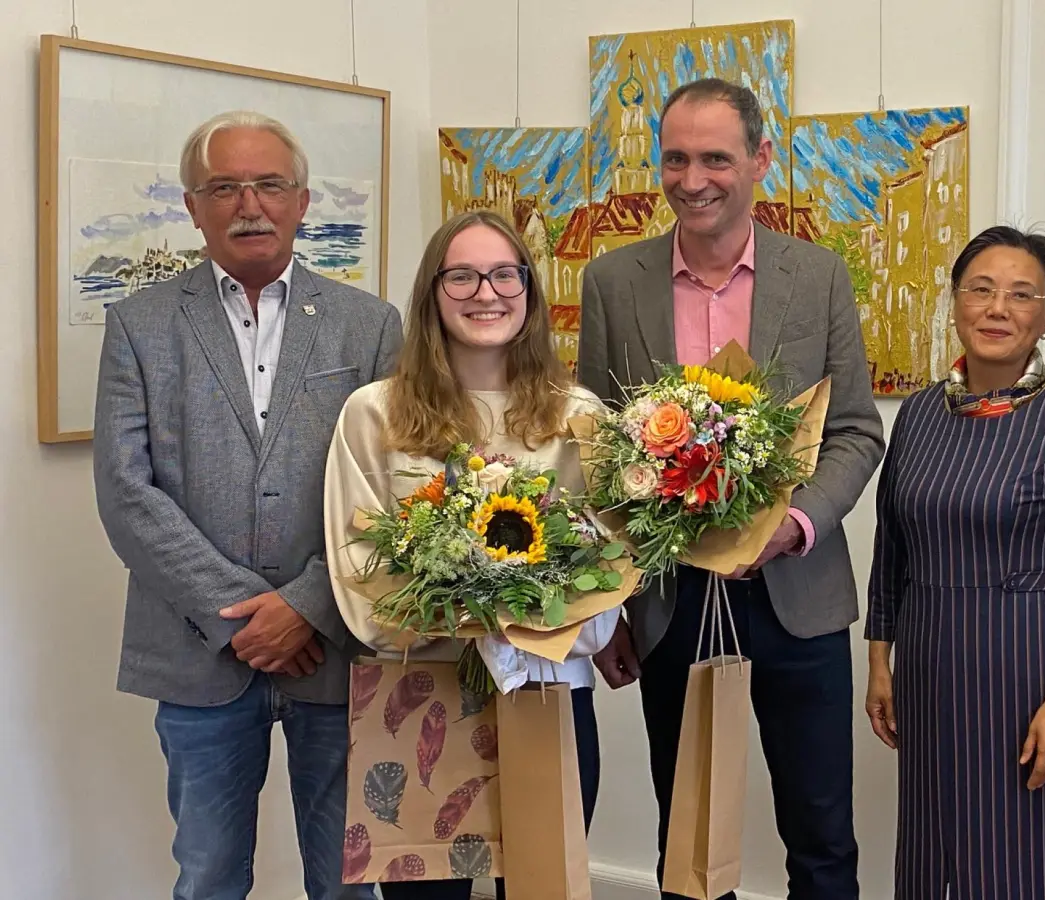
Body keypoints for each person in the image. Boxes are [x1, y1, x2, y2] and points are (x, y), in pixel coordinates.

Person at [578, 78, 885, 899]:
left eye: (715, 158)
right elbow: (596, 454)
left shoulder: (817, 276)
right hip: (671, 604)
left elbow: (857, 431)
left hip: (797, 598)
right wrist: (603, 608)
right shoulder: (612, 282)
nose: (692, 180)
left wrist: (797, 523)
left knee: (821, 836)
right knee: (687, 838)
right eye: (675, 159)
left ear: (760, 159)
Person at [93, 110, 401, 900]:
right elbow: (126, 494)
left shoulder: (369, 326)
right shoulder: (139, 325)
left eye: (269, 184)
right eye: (224, 187)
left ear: (302, 201)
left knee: (348, 882)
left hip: (336, 648)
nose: (249, 205)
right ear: (193, 207)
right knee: (208, 877)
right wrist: (244, 615)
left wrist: (305, 606)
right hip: (196, 653)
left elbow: (392, 488)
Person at [324, 210, 616, 899]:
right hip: (419, 696)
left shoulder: (581, 414)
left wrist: (518, 618)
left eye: (504, 275)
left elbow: (609, 575)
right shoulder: (374, 413)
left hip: (548, 692)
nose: (485, 293)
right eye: (462, 276)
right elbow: (357, 569)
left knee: (544, 889)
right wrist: (469, 610)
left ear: (529, 291)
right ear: (432, 291)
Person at [865, 226, 1045, 899]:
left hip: (1024, 673)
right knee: (931, 855)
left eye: (1021, 294)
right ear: (956, 302)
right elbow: (892, 547)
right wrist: (880, 662)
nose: (997, 308)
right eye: (981, 289)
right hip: (928, 668)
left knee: (1020, 861)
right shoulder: (919, 415)